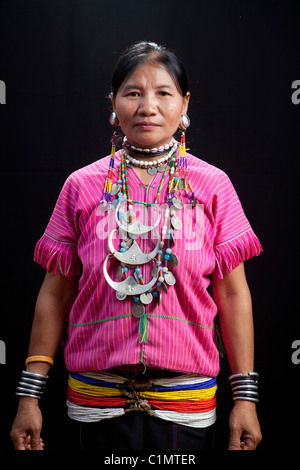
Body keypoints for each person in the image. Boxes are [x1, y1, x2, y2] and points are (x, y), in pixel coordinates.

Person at [10, 41, 262, 451]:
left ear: (184, 104)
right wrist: (29, 395)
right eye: (133, 92)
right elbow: (55, 296)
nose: (148, 106)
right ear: (113, 104)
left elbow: (234, 295)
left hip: (187, 406)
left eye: (163, 93)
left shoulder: (213, 186)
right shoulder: (82, 186)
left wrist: (245, 400)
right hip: (95, 402)